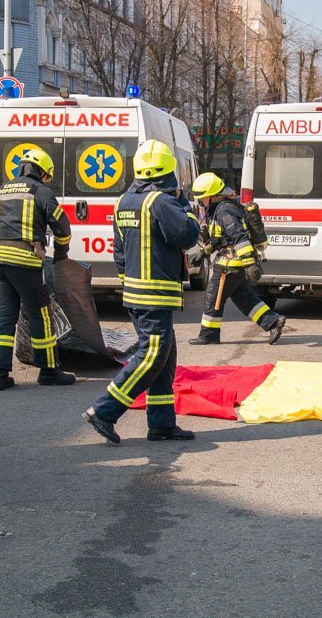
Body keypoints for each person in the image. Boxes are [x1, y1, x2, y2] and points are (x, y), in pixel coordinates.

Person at [83, 139, 201, 445]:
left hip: (136, 291)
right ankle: (104, 411)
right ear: (168, 170)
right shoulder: (161, 201)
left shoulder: (124, 201)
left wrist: (128, 280)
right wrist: (187, 210)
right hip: (155, 292)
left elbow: (119, 251)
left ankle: (161, 424)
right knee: (151, 356)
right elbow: (187, 236)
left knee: (164, 357)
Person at [0, 148, 73, 391]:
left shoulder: (0, 191)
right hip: (24, 260)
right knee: (40, 314)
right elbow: (62, 228)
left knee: (4, 314)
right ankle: (48, 370)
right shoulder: (41, 192)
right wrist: (61, 254)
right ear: (43, 172)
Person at [187, 171, 286, 346]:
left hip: (231, 264)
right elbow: (221, 240)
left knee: (213, 296)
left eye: (204, 197)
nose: (202, 202)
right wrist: (203, 252)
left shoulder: (225, 211)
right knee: (243, 298)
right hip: (234, 263)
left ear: (214, 195)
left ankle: (208, 335)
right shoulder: (221, 209)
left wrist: (250, 266)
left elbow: (240, 238)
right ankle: (272, 321)